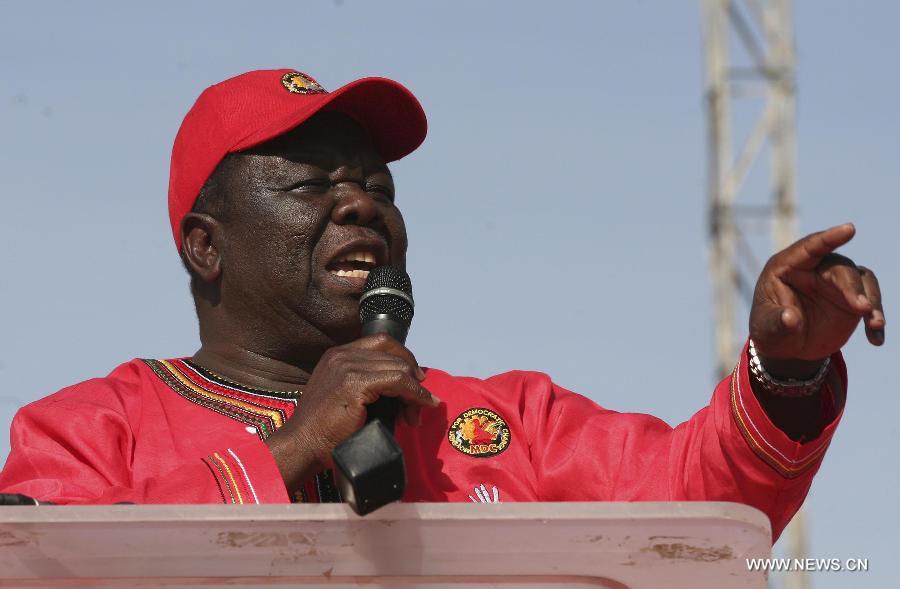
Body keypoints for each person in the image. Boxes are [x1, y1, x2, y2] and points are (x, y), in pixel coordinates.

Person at [0, 69, 886, 541]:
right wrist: (291, 450)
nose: (361, 205)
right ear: (205, 244)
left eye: (376, 185)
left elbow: (701, 505)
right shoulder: (86, 429)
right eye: (313, 184)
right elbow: (48, 567)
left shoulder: (506, 421)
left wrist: (788, 369)